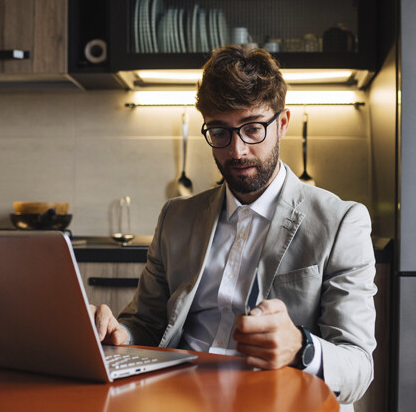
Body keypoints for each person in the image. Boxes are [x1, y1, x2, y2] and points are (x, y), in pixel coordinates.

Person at [91, 45, 376, 409]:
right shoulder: (176, 218)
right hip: (180, 399)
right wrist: (118, 333)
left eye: (253, 128)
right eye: (220, 132)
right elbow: (146, 324)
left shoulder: (341, 222)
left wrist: (301, 347)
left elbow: (358, 369)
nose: (237, 151)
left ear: (282, 124)